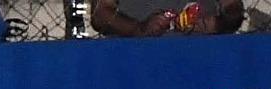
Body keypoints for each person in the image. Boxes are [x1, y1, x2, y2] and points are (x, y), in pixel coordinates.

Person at [91, 0, 243, 35]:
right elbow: (100, 16)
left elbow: (234, 9)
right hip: (136, 59)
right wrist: (139, 28)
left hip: (200, 59)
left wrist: (214, 24)